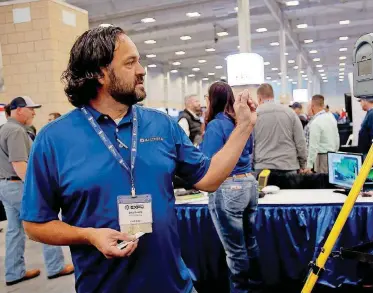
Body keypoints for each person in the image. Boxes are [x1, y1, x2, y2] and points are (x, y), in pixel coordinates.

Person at [20, 26, 257, 293]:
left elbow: (210, 178)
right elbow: (34, 224)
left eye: (139, 60)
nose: (142, 69)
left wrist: (244, 127)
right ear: (99, 73)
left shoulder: (162, 126)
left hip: (173, 285)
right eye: (130, 62)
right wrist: (88, 235)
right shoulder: (54, 139)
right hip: (103, 286)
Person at [0, 96, 74, 286]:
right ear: (18, 110)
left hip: (5, 185)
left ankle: (14, 272)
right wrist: (36, 189)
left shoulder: (4, 129)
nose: (34, 112)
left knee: (14, 231)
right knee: (44, 221)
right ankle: (55, 266)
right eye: (30, 109)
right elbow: (19, 164)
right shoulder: (16, 131)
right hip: (18, 185)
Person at [200, 81, 262, 292]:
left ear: (212, 100)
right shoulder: (240, 122)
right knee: (249, 243)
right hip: (249, 184)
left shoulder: (216, 126)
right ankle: (254, 286)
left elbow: (208, 161)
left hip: (228, 187)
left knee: (235, 251)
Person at [254, 84, 307, 175]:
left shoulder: (254, 116)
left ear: (259, 98)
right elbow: (300, 141)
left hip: (262, 168)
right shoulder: (290, 113)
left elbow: (250, 144)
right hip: (288, 167)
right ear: (273, 96)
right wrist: (303, 164)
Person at [304, 95, 340, 173]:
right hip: (332, 155)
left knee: (322, 182)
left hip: (321, 157)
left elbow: (313, 146)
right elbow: (337, 138)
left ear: (312, 106)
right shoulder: (331, 117)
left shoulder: (315, 122)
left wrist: (309, 165)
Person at [358, 99, 373, 164]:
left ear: (365, 100)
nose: (360, 104)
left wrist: (372, 156)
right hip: (370, 153)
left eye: (361, 101)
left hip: (372, 154)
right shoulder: (371, 113)